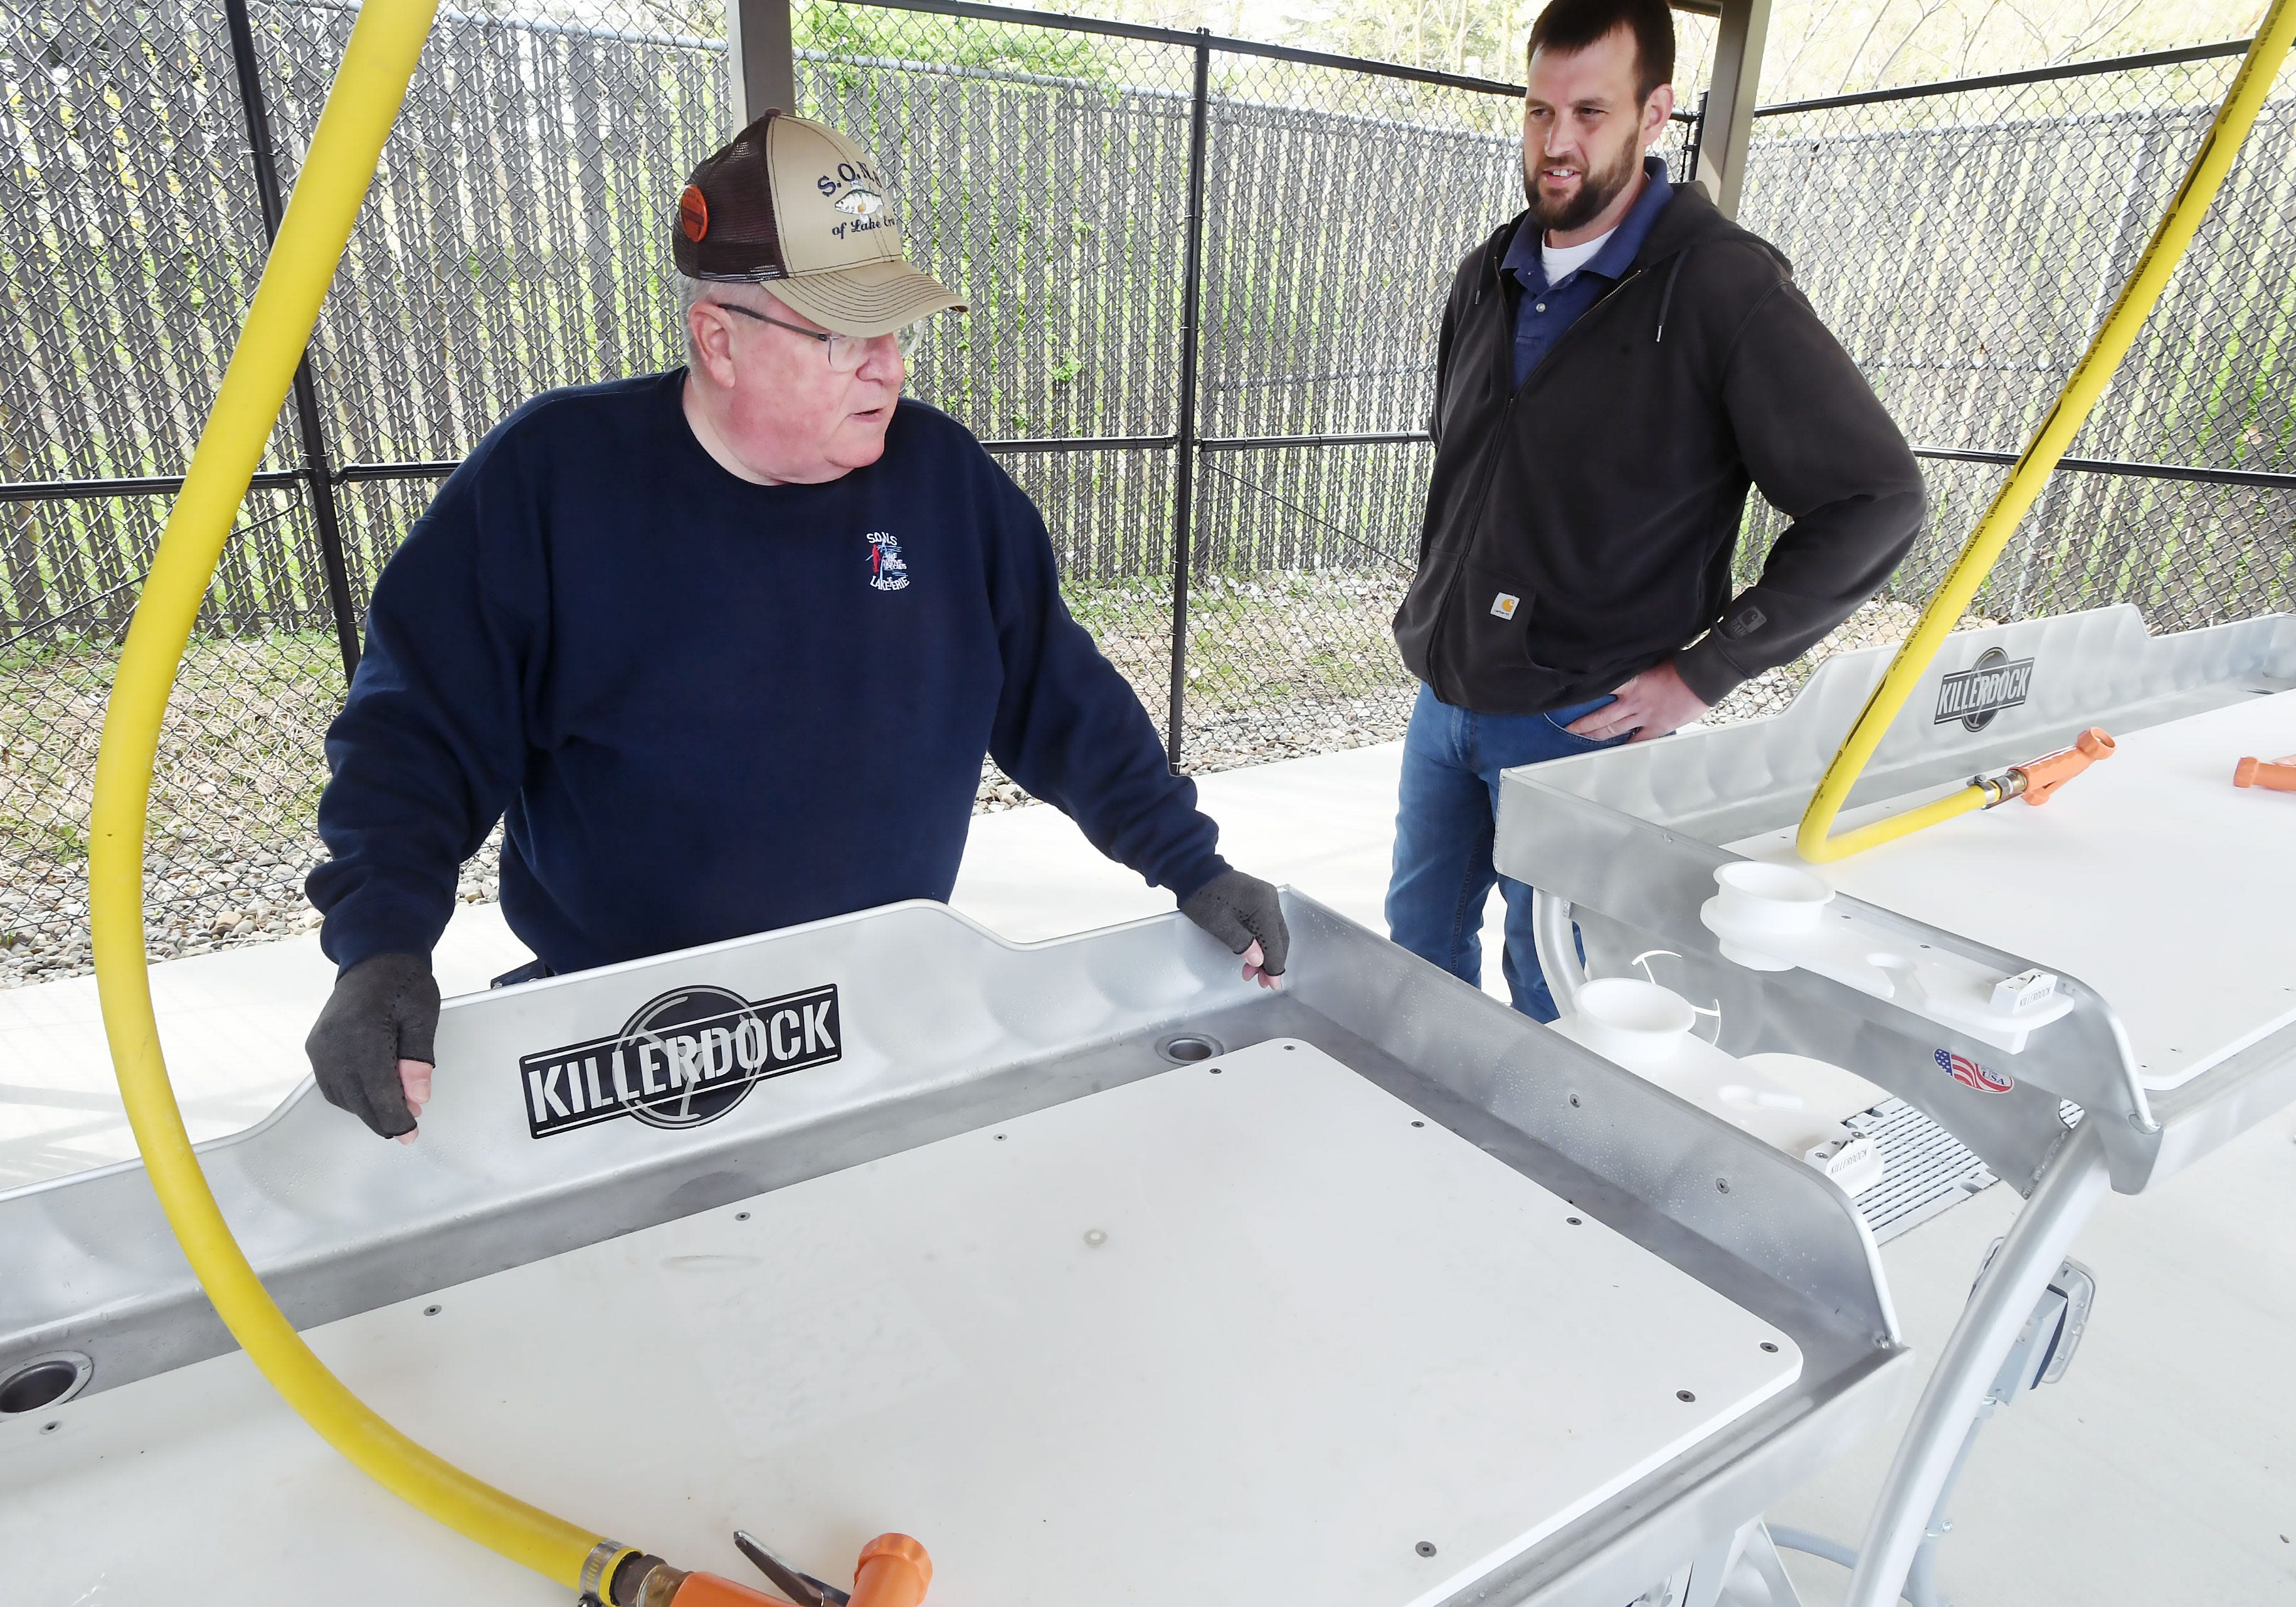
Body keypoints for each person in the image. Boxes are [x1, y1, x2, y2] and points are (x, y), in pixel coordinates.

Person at [304, 112, 1289, 1142]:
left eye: (892, 330)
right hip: (636, 1039)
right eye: (839, 336)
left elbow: (1056, 694)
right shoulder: (552, 483)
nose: (887, 369)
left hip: (881, 995)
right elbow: (418, 732)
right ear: (718, 340)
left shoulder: (940, 482)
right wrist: (382, 944)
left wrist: (1192, 862)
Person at [1386, 0, 1924, 1020]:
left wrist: (1705, 670)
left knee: (1556, 974)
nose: (1556, 143)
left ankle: (1552, 1166)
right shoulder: (1488, 274)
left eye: (1589, 112)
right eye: (1539, 111)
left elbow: (1876, 498)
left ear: (1656, 113)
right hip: (1447, 692)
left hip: (1580, 715)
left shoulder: (1722, 286)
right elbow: (1480, 469)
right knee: (1415, 947)